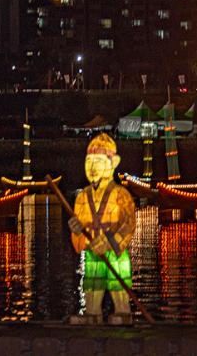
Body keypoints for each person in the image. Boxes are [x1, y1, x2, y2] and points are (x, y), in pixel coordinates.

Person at [68, 133, 137, 325]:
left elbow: (128, 223)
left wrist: (110, 241)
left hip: (115, 250)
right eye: (89, 161)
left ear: (113, 163)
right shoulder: (82, 196)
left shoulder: (121, 194)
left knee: (118, 281)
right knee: (92, 281)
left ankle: (123, 312)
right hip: (92, 250)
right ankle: (92, 313)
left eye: (97, 161)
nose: (92, 166)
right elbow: (79, 225)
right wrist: (75, 229)